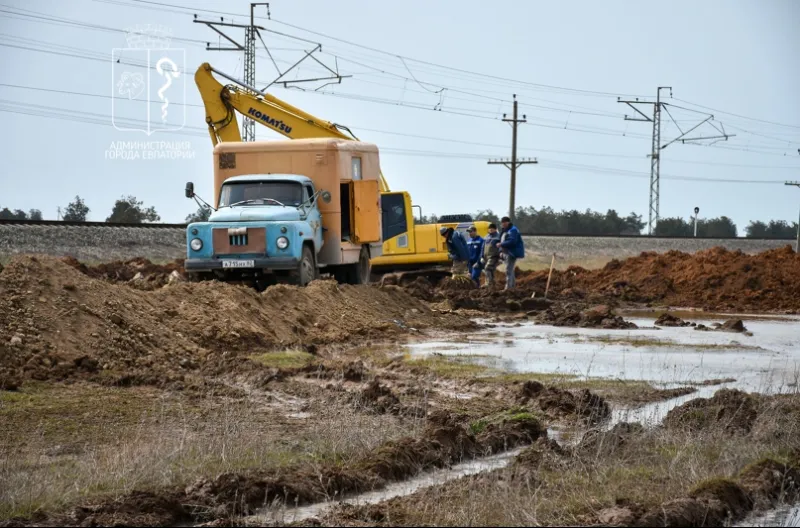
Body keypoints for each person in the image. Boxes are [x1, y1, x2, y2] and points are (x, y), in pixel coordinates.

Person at [497, 216, 524, 290]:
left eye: (504, 223)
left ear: (507, 222)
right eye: (502, 223)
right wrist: (500, 251)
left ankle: (508, 288)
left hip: (511, 253)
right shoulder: (504, 231)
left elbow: (512, 241)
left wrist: (501, 245)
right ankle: (512, 287)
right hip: (506, 252)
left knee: (508, 270)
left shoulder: (513, 230)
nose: (502, 224)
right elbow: (501, 240)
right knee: (510, 270)